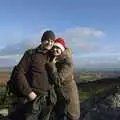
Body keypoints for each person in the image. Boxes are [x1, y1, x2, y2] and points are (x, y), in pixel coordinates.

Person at [8, 30, 57, 120]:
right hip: (34, 99)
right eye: (47, 40)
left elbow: (64, 54)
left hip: (48, 100)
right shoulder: (31, 54)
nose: (50, 43)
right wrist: (29, 92)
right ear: (42, 40)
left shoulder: (52, 55)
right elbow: (19, 73)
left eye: (52, 41)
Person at [46, 38, 80, 120]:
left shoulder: (68, 62)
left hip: (67, 94)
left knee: (69, 115)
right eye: (53, 47)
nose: (55, 49)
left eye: (57, 48)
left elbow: (58, 80)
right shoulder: (56, 59)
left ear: (62, 49)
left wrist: (52, 66)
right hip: (60, 96)